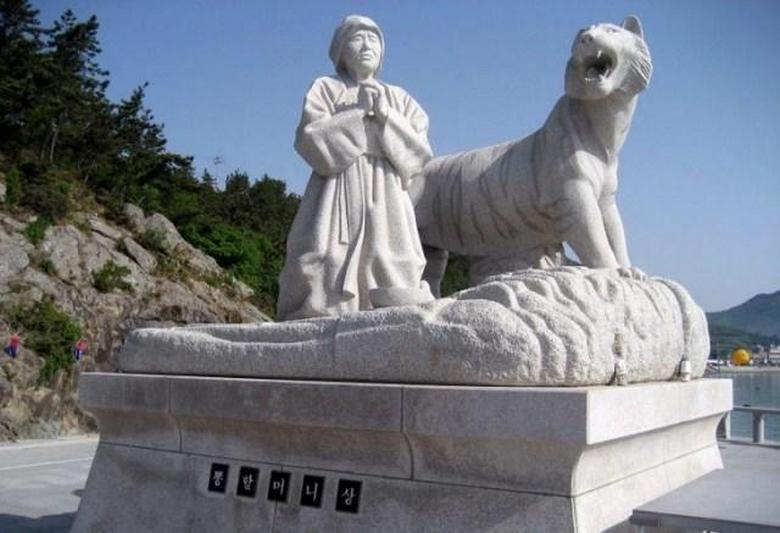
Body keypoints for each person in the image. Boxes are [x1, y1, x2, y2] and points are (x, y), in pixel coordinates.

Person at [277, 15, 434, 320]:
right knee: (326, 257)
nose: (366, 46)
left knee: (391, 256)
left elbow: (420, 152)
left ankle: (392, 313)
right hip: (337, 189)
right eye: (357, 38)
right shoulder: (325, 88)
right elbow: (309, 139)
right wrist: (358, 113)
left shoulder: (400, 98)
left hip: (387, 190)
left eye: (373, 39)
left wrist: (386, 116)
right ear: (340, 49)